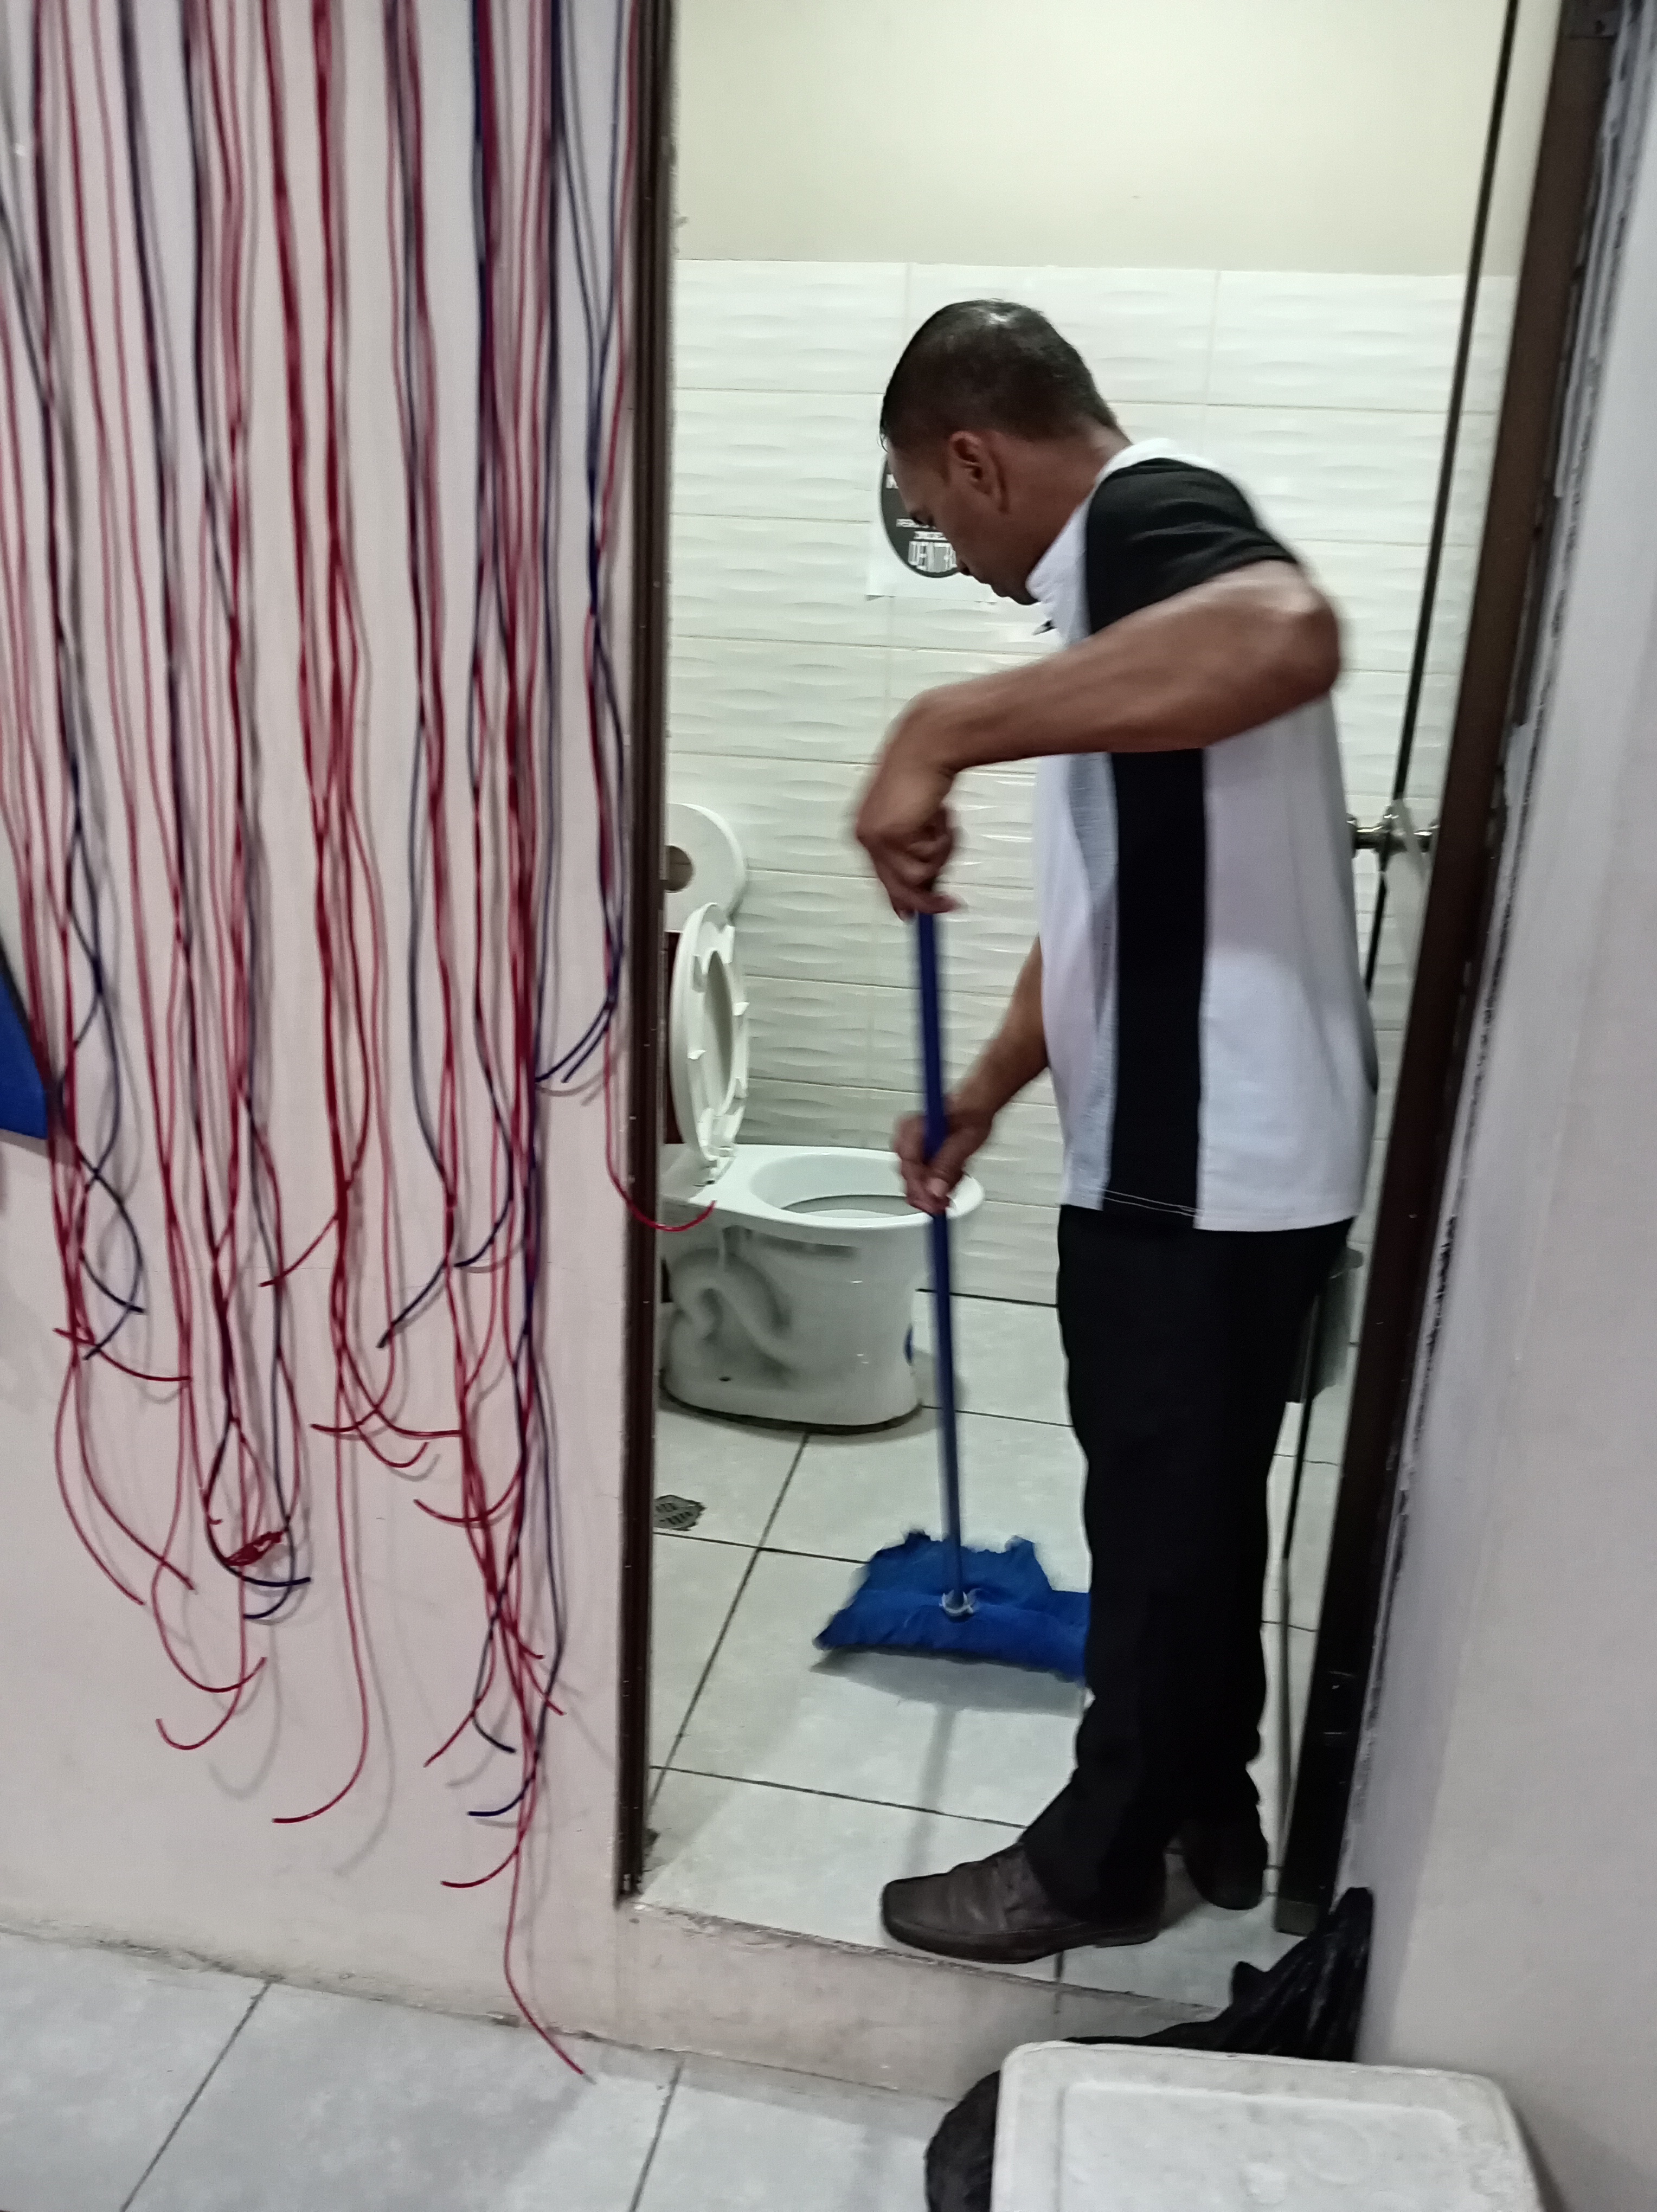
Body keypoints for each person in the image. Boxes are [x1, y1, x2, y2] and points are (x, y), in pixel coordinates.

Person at [855, 302, 1376, 1966]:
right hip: (1218, 1156)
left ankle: (1094, 1866)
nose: (961, 559)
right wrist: (986, 1091)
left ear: (975, 459)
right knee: (1195, 1508)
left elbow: (1290, 629)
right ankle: (1213, 1815)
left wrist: (938, 726)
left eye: (936, 521)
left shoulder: (1150, 517)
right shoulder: (1117, 620)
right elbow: (1113, 903)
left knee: (1155, 1526)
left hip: (1202, 1162)